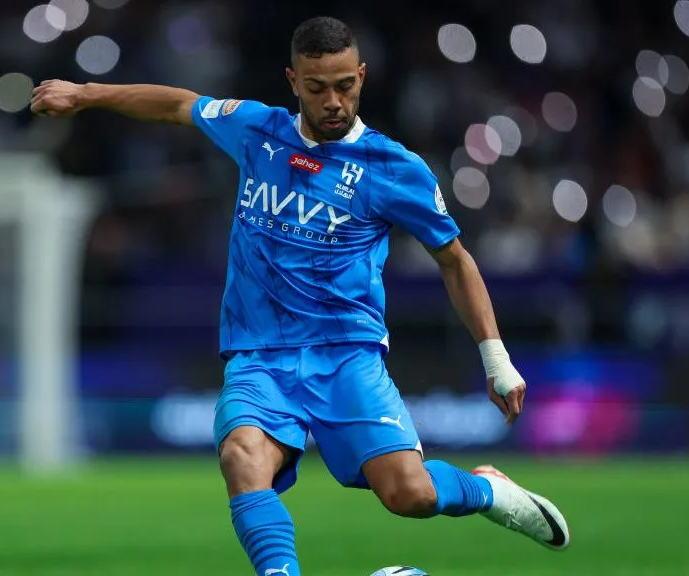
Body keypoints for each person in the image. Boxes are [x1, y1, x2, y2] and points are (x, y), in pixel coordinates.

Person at [32, 15, 570, 576]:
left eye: (345, 85)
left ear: (362, 76)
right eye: (317, 88)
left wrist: (496, 360)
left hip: (347, 356)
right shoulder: (256, 130)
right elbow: (176, 104)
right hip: (259, 356)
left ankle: (486, 490)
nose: (333, 100)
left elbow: (454, 260)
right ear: (293, 81)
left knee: (409, 495)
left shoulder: (394, 168)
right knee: (241, 457)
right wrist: (85, 94)